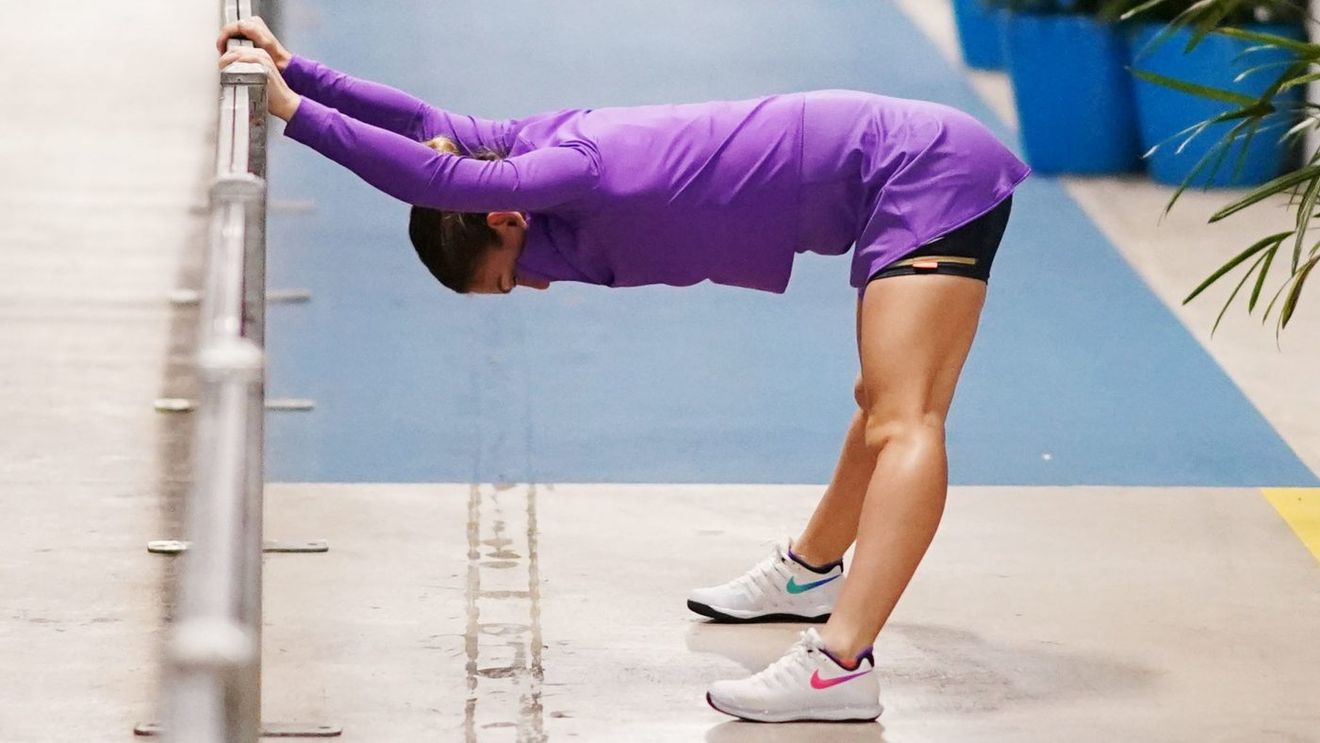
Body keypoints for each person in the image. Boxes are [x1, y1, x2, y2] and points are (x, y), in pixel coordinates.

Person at [218, 17, 1030, 724]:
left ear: (505, 219)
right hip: (899, 172)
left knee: (906, 416)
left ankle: (841, 664)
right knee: (882, 402)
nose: (532, 283)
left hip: (923, 167)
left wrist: (293, 111)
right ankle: (808, 575)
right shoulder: (531, 149)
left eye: (510, 273)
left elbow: (437, 171)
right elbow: (432, 124)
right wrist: (302, 70)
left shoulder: (573, 168)